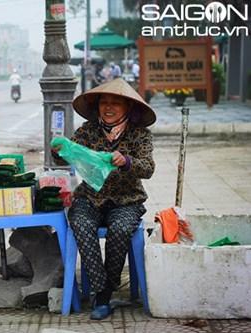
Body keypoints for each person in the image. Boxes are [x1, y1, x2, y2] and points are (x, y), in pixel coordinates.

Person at [53, 78, 156, 320]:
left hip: (127, 200)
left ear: (128, 108)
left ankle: (105, 292)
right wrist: (58, 151)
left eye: (115, 103)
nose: (108, 107)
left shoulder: (140, 135)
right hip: (90, 198)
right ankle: (101, 290)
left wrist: (127, 161)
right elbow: (67, 156)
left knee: (120, 229)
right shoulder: (87, 131)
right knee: (79, 223)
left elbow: (148, 168)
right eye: (104, 102)